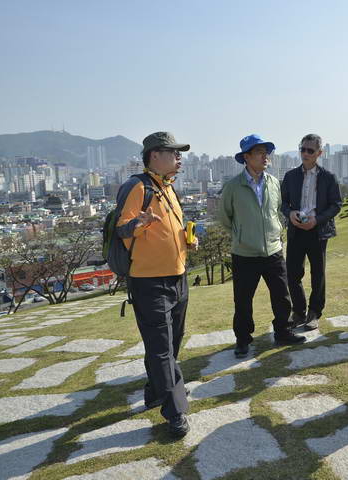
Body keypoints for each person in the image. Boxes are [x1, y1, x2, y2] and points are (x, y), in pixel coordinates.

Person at [116, 131, 195, 438]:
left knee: (172, 340)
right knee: (162, 347)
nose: (179, 157)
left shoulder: (168, 188)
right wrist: (139, 223)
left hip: (178, 276)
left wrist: (187, 239)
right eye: (173, 152)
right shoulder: (138, 186)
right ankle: (175, 411)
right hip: (149, 281)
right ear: (154, 156)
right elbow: (123, 229)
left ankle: (154, 389)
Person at [218, 134, 306, 359]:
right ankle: (243, 339)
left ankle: (283, 331)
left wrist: (276, 232)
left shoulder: (274, 183)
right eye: (259, 152)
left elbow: (277, 210)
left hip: (273, 250)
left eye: (266, 152)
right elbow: (225, 218)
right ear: (246, 157)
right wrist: (241, 235)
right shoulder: (233, 187)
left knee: (281, 295)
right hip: (244, 253)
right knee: (243, 300)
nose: (265, 156)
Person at [281, 134, 342, 331]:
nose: (305, 154)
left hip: (318, 231)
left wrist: (318, 219)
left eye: (310, 150)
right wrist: (290, 213)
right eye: (303, 149)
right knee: (292, 273)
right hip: (296, 230)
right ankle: (298, 312)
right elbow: (282, 203)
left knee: (318, 274)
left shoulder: (328, 177)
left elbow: (336, 204)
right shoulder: (291, 176)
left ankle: (314, 312)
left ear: (319, 153)